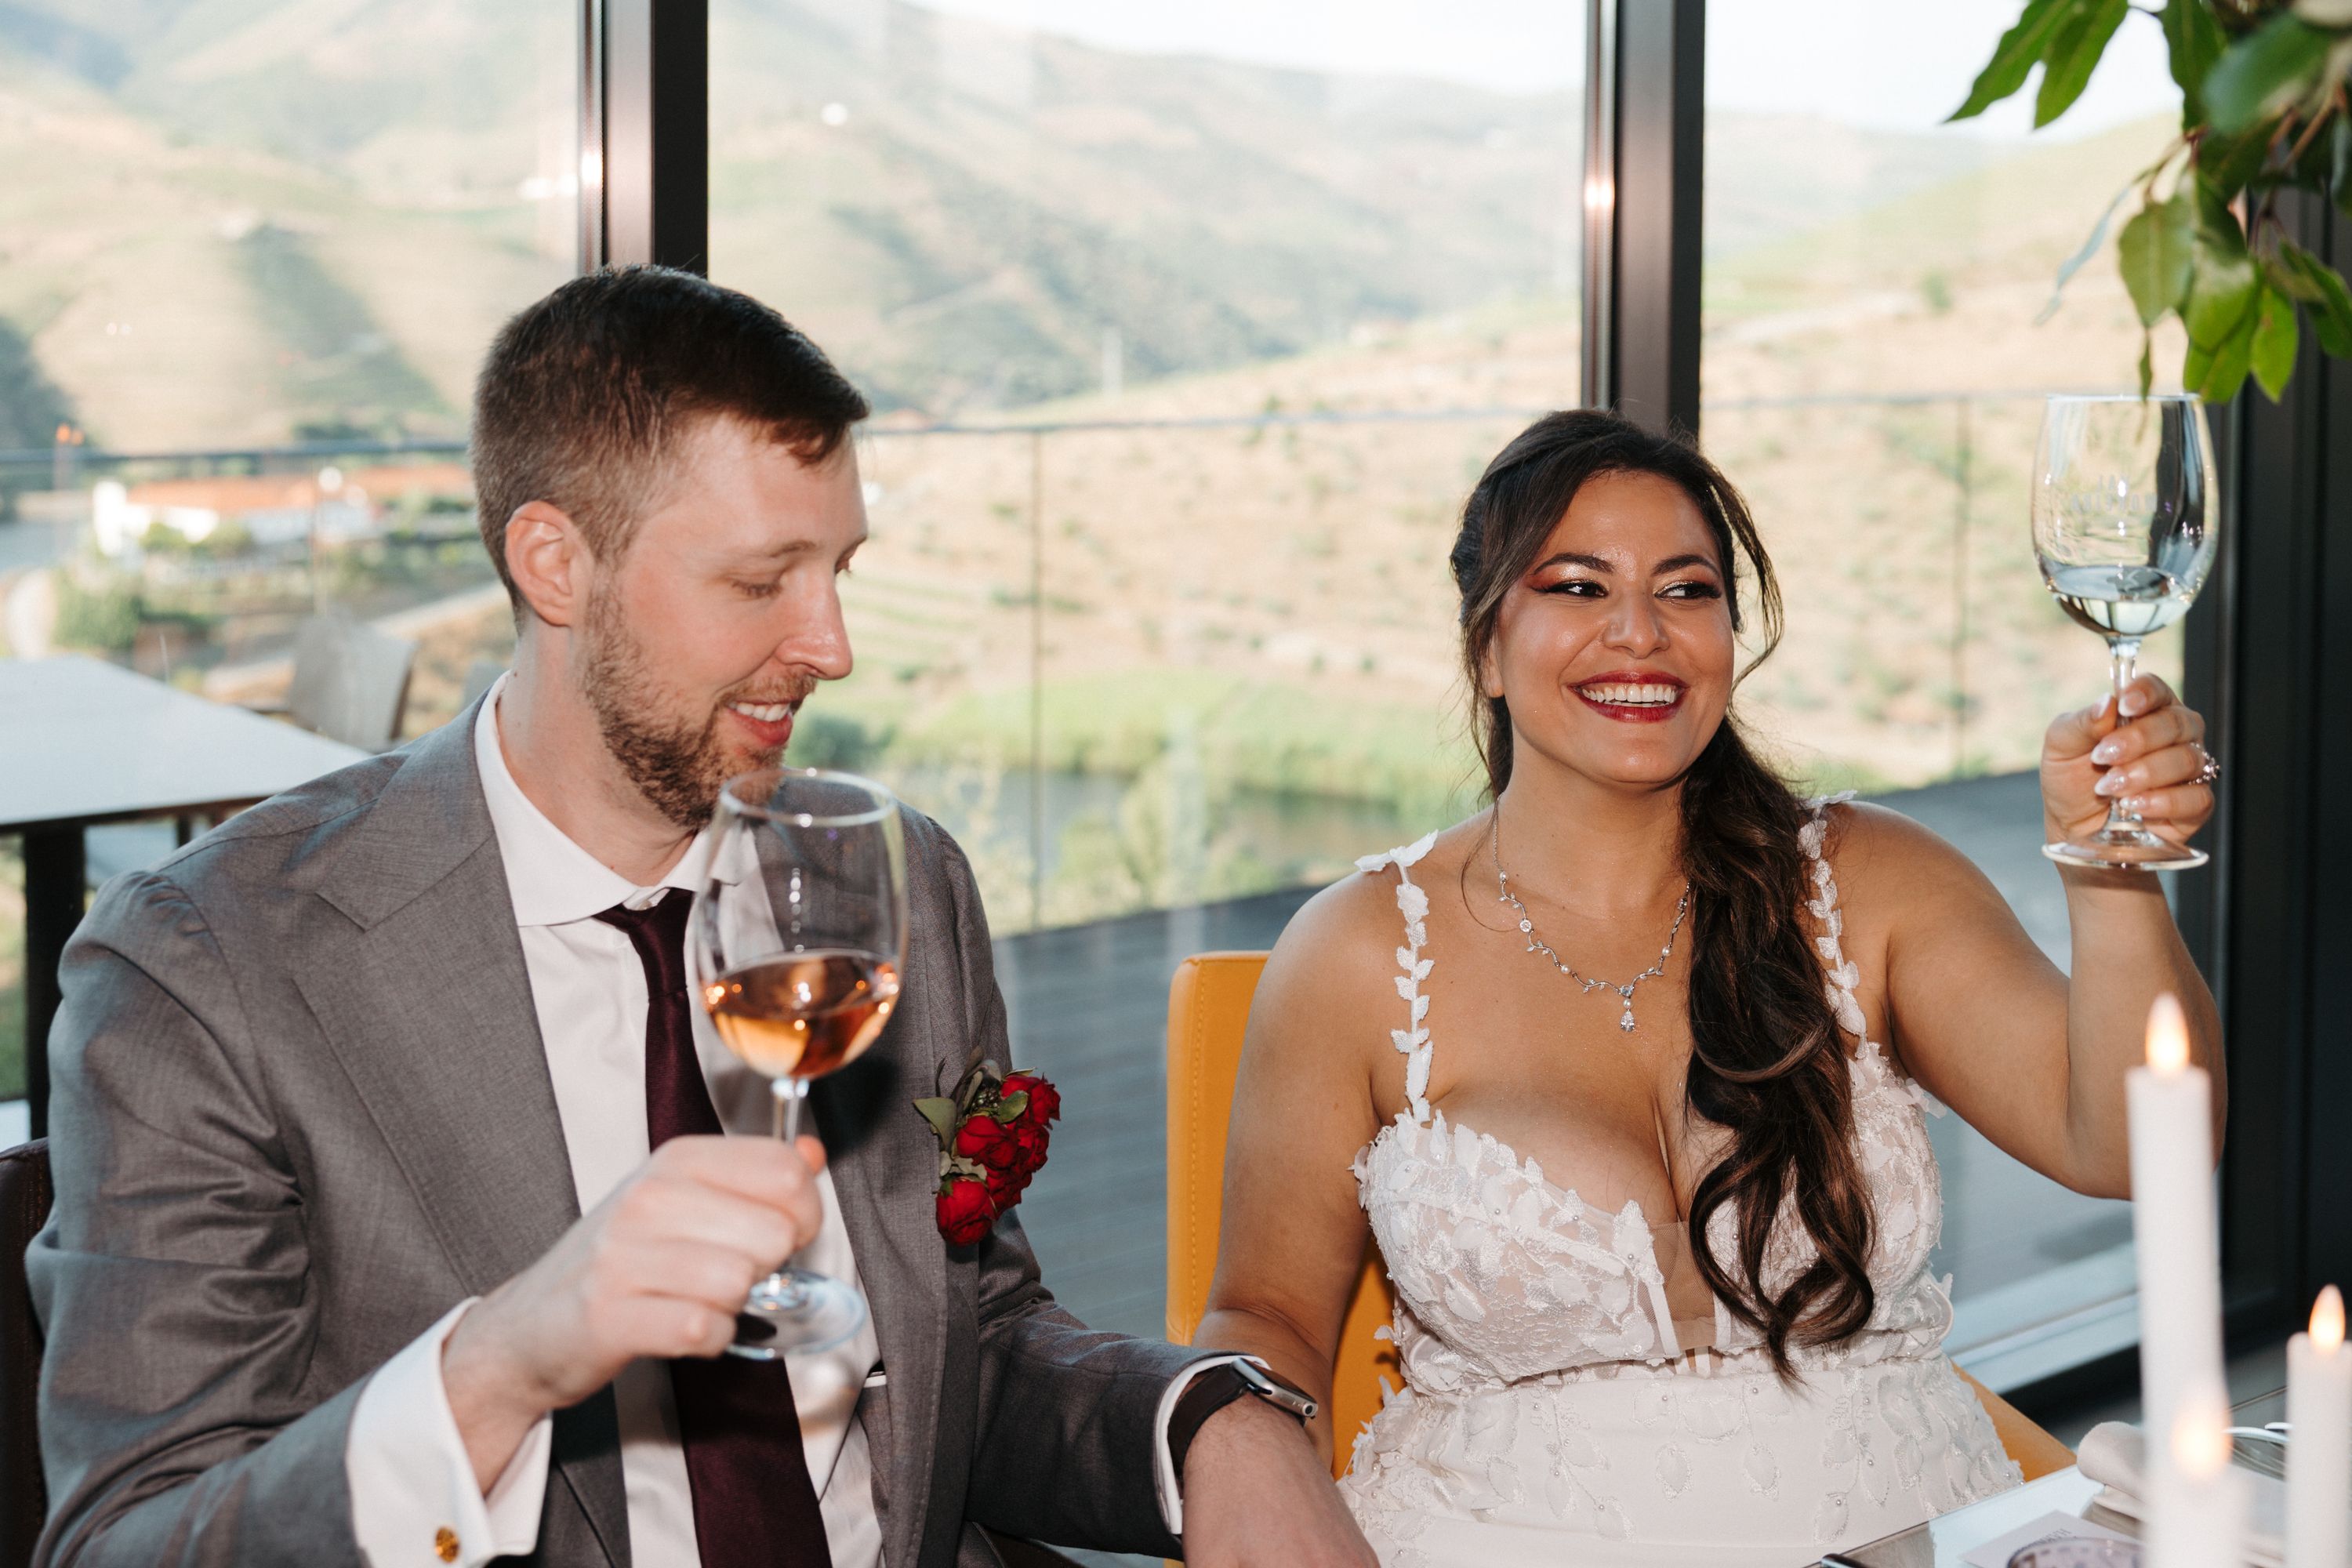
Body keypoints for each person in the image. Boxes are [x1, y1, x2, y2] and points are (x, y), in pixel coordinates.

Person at [29, 267, 1373, 1568]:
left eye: (840, 568)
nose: (833, 642)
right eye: (761, 580)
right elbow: (131, 1537)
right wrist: (504, 1363)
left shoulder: (896, 883)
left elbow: (979, 1336)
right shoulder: (208, 968)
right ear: (555, 565)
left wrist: (1206, 1418)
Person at [1195, 409, 2224, 1566]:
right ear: (1485, 646)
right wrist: (1256, 1471)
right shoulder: (1355, 952)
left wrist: (2113, 869)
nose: (1639, 634)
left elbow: (2137, 1148)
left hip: (1892, 1531)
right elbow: (1265, 1317)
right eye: (1578, 588)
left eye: (1685, 590)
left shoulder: (1865, 883)